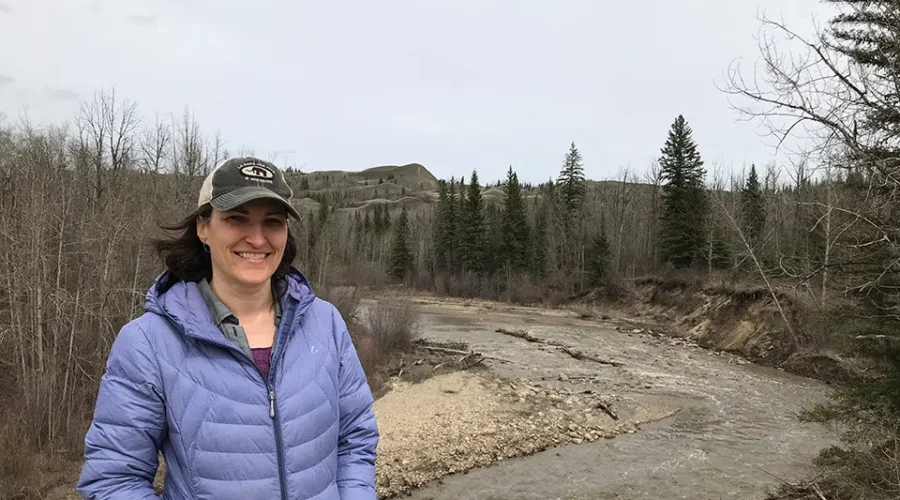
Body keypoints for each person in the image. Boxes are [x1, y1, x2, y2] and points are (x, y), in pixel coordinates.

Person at [76, 157, 379, 499]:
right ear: (203, 228)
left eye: (272, 222)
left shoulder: (326, 324)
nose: (257, 238)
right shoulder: (148, 343)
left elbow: (355, 438)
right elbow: (113, 480)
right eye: (237, 219)